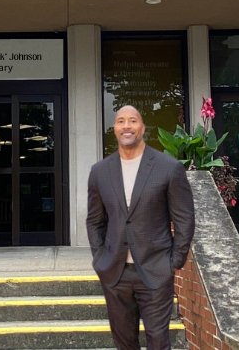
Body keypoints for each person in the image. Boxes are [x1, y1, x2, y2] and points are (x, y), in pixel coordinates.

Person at [87, 105, 195, 350]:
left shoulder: (168, 168)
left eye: (133, 121)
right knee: (124, 343)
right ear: (114, 129)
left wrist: (174, 261)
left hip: (156, 270)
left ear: (142, 127)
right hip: (115, 272)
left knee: (158, 341)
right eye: (121, 121)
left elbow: (185, 218)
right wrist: (100, 257)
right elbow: (95, 221)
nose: (127, 126)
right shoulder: (99, 172)